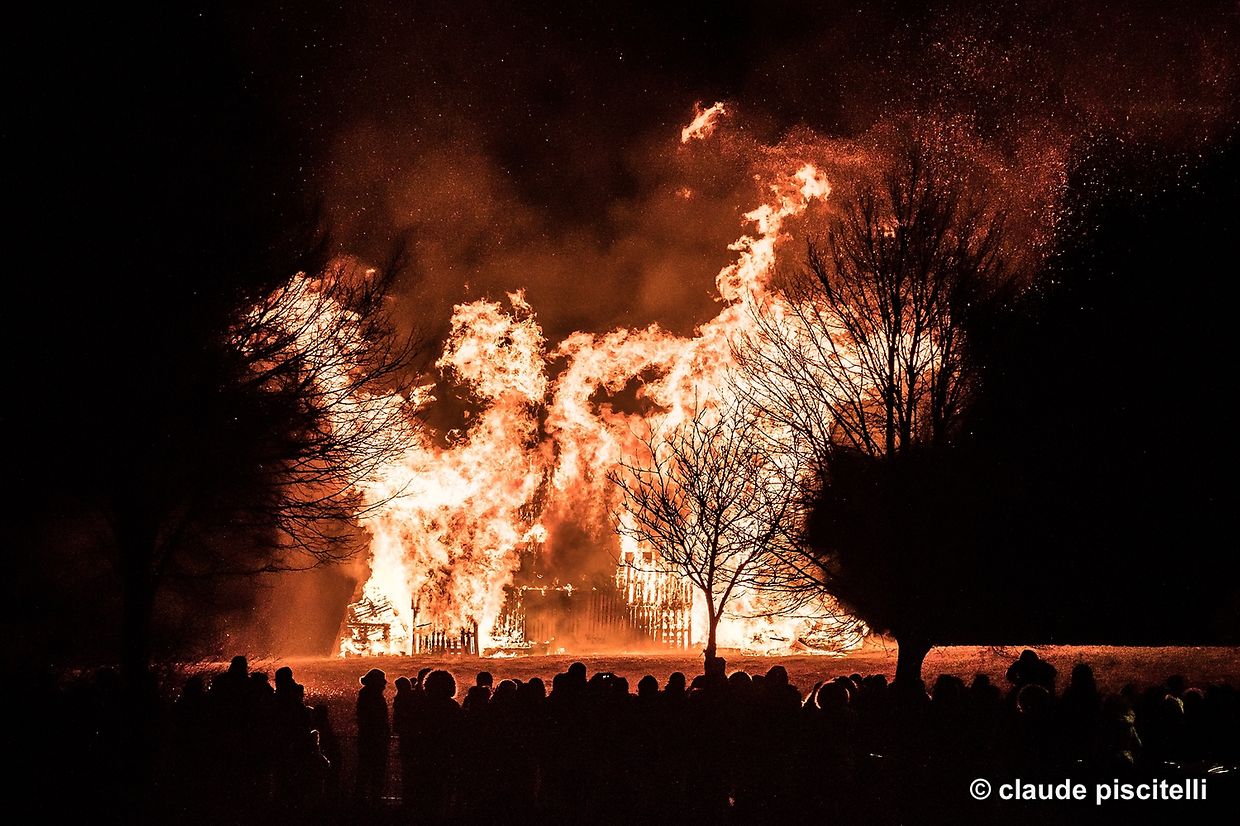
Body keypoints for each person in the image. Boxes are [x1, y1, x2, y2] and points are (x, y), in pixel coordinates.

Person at [355, 668, 390, 804]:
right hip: (374, 740)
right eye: (382, 680)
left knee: (365, 770)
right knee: (373, 770)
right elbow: (375, 719)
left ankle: (362, 799)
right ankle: (372, 800)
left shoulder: (367, 695)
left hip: (369, 738)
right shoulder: (372, 697)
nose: (385, 683)